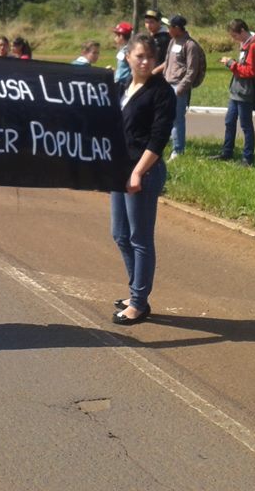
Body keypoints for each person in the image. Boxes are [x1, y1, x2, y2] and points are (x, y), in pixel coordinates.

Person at [111, 34, 175, 325]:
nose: (146, 62)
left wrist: (138, 171)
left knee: (140, 239)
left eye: (150, 57)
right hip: (121, 170)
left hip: (144, 172)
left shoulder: (162, 92)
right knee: (120, 234)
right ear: (128, 57)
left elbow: (158, 137)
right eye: (140, 56)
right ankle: (136, 291)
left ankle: (138, 302)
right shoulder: (124, 86)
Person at [212, 19, 255, 167]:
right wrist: (234, 63)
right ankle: (227, 152)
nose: (234, 39)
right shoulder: (244, 45)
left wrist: (231, 64)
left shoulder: (253, 47)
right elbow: (243, 66)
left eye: (235, 36)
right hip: (236, 90)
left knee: (246, 125)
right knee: (229, 122)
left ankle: (248, 158)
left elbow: (251, 71)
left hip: (245, 92)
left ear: (242, 31)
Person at [162, 15, 202, 159]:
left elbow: (192, 70)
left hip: (179, 87)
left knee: (177, 119)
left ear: (177, 28)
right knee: (166, 117)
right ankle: (166, 145)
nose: (168, 30)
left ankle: (178, 150)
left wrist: (181, 88)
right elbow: (167, 62)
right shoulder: (172, 42)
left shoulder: (190, 45)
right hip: (167, 84)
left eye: (170, 27)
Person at [111, 22, 133, 90]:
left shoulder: (126, 51)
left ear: (121, 36)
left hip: (124, 84)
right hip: (120, 82)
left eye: (116, 35)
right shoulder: (124, 49)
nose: (115, 38)